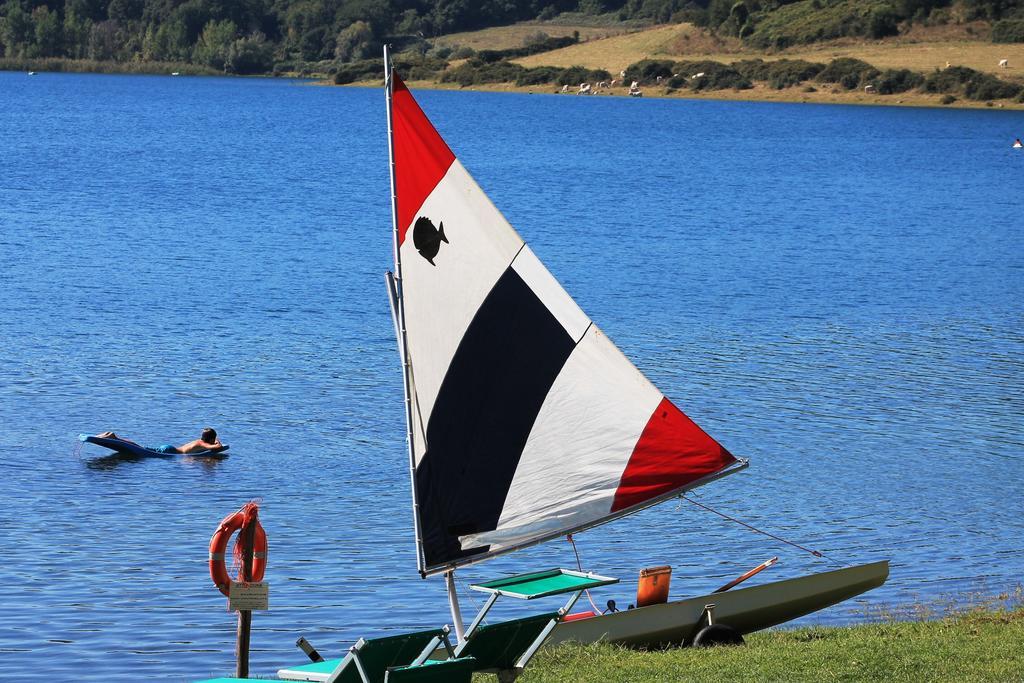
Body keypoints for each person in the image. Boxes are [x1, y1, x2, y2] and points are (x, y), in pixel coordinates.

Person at [96, 427, 223, 454]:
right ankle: (114, 437)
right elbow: (217, 448)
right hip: (171, 452)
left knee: (141, 447)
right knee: (141, 449)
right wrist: (217, 443)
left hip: (169, 447)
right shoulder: (203, 444)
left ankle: (115, 437)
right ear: (211, 438)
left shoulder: (197, 441)